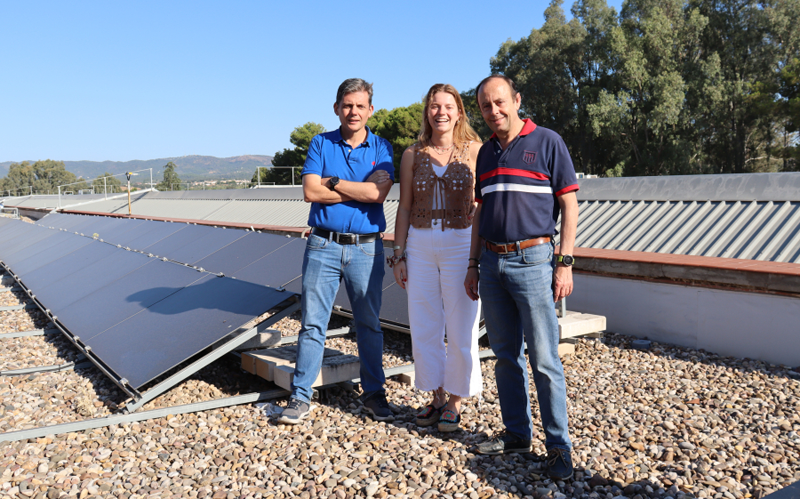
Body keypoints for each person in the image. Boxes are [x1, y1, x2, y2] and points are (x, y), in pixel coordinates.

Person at [464, 75, 579, 480]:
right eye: (485, 106)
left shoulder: (547, 141)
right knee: (504, 356)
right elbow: (480, 212)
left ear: (516, 100)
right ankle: (516, 434)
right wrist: (473, 263)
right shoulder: (486, 154)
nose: (493, 111)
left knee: (544, 359)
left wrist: (564, 261)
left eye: (499, 102)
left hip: (534, 261)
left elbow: (568, 203)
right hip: (492, 265)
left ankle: (559, 448)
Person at [277, 78, 395, 424]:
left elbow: (378, 195)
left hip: (366, 249)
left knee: (369, 325)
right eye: (347, 105)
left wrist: (333, 182)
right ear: (336, 108)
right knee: (312, 323)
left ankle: (374, 394)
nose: (353, 112)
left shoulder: (381, 148)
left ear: (370, 110)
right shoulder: (320, 143)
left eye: (360, 106)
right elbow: (310, 193)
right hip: (323, 245)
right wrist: (358, 188)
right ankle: (300, 396)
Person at [390, 83, 483, 432]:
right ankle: (437, 397)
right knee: (425, 324)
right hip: (420, 243)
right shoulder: (412, 154)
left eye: (448, 106)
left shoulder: (476, 150)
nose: (440, 112)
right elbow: (404, 207)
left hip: (462, 242)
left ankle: (457, 401)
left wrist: (479, 253)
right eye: (434, 106)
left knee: (462, 324)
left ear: (459, 111)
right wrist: (398, 255)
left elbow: (483, 204)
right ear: (427, 112)